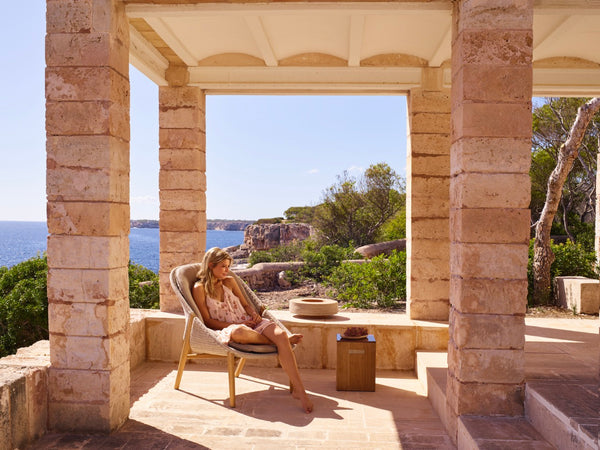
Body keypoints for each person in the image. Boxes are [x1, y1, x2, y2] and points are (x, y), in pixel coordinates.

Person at [192, 247, 314, 413]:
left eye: (228, 266)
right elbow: (207, 321)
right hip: (231, 328)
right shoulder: (199, 288)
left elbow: (245, 304)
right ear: (210, 265)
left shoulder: (229, 281)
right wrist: (238, 324)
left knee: (280, 334)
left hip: (251, 323)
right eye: (223, 266)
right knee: (241, 333)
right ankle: (281, 341)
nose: (227, 270)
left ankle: (300, 391)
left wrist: (253, 315)